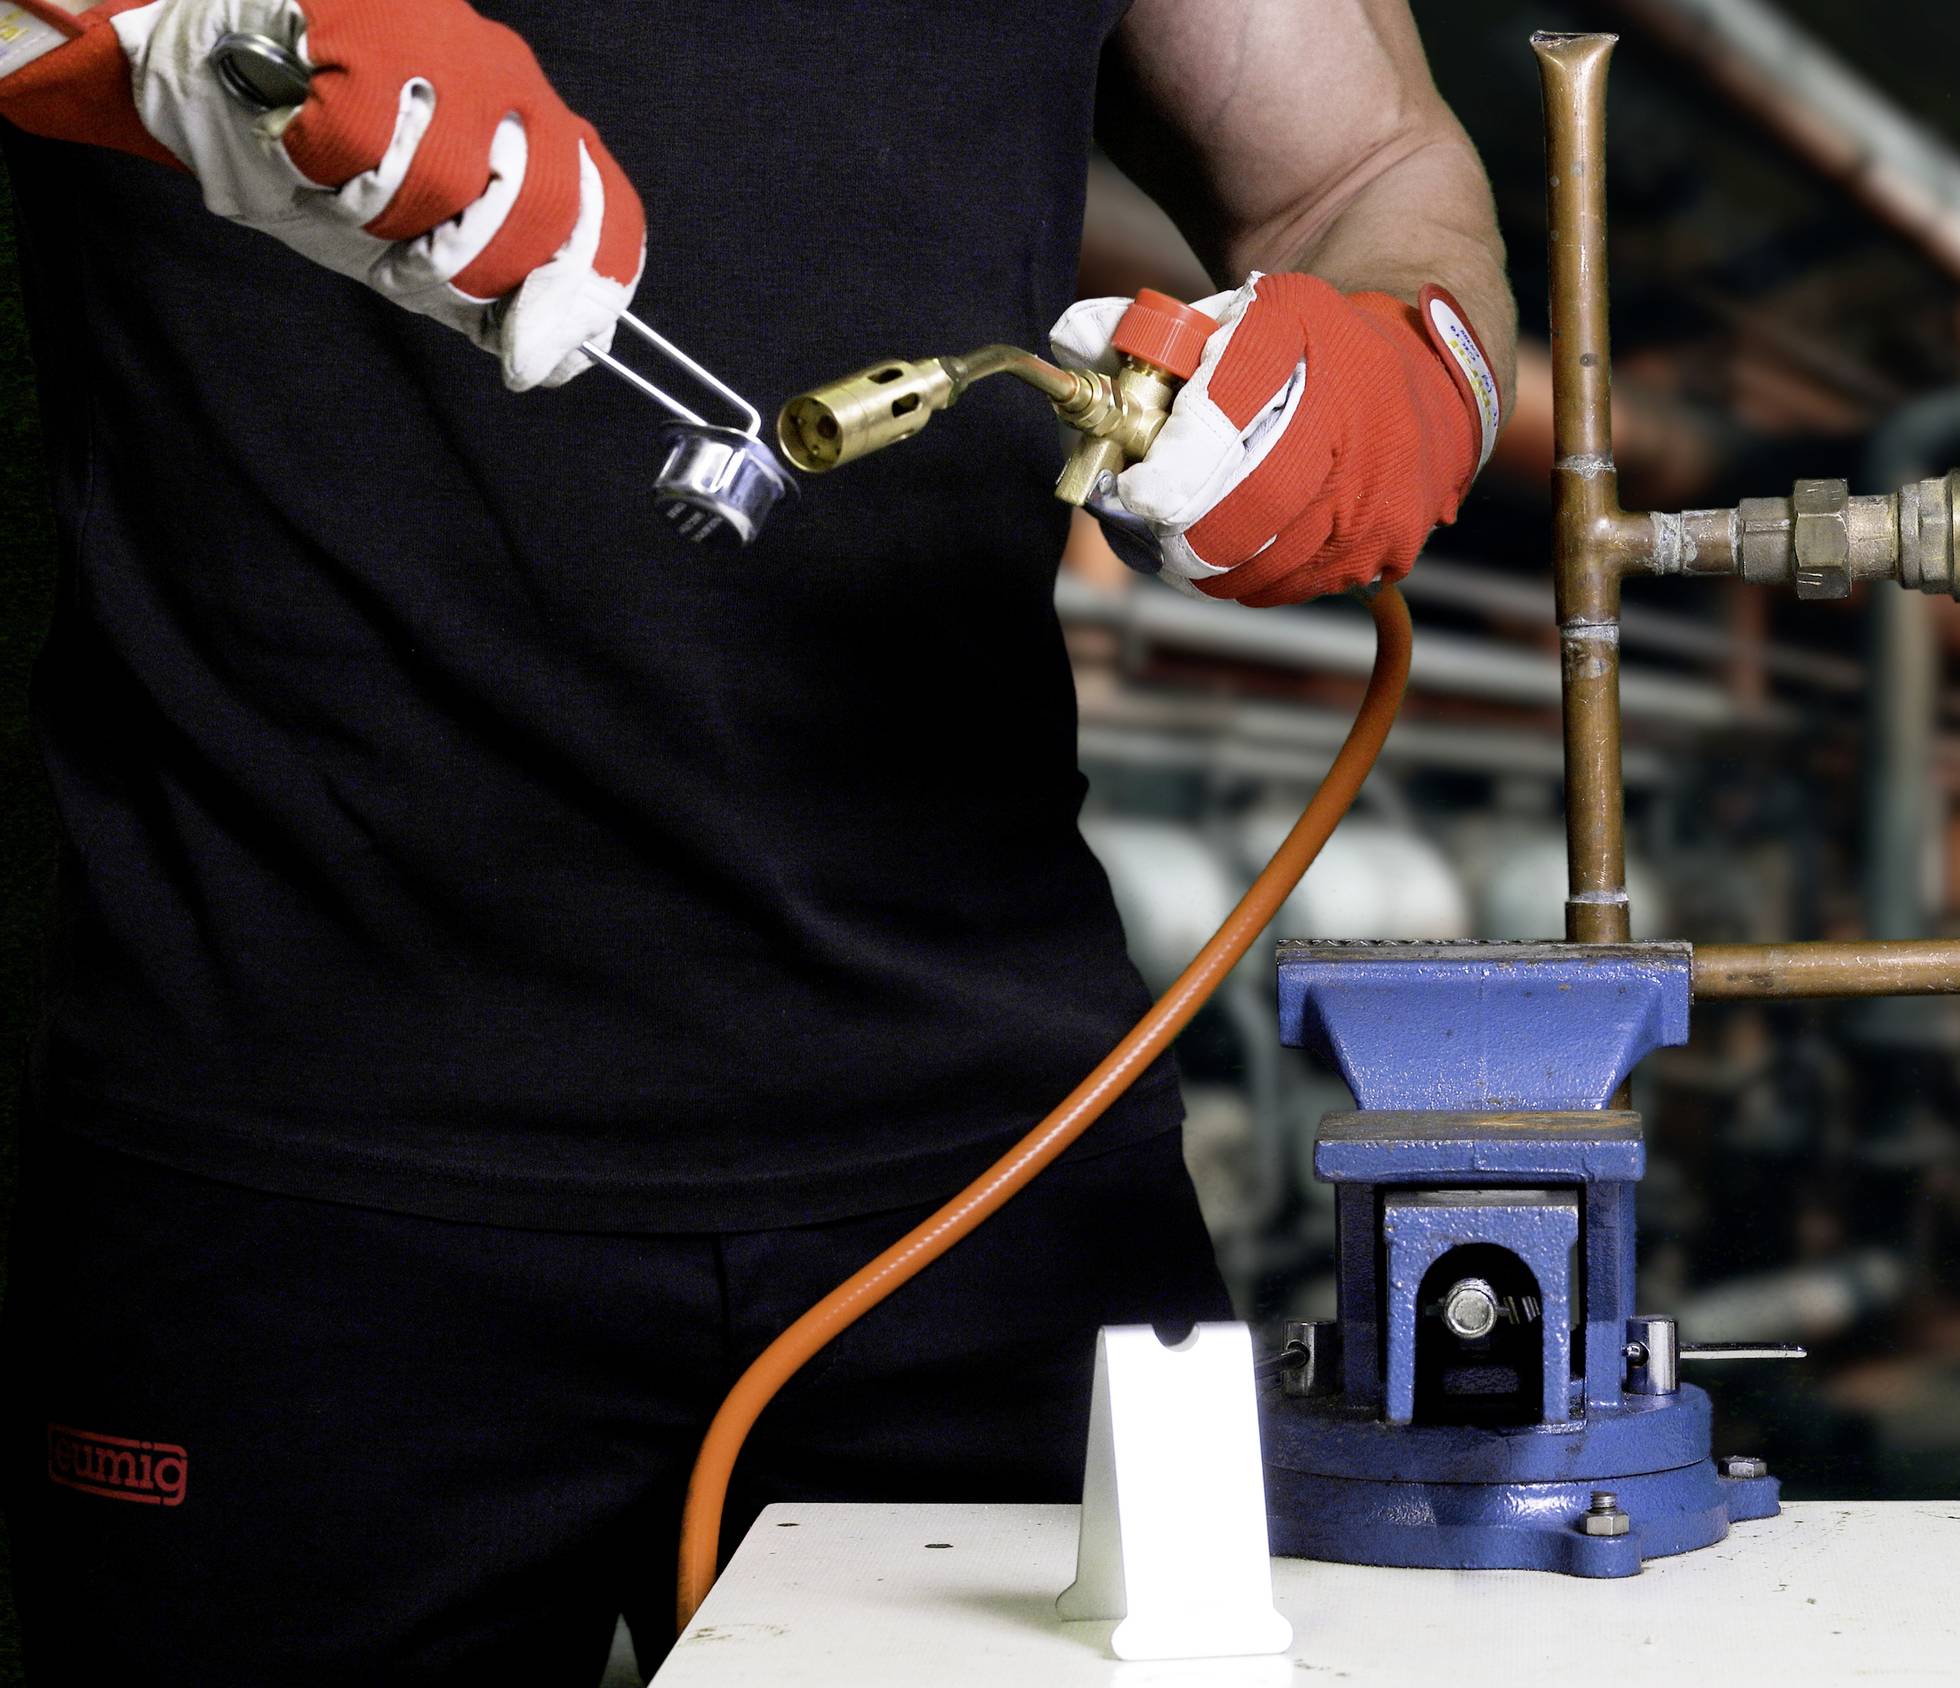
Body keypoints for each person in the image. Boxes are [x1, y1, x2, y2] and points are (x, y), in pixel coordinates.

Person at [0, 0, 1511, 1677]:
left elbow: (1363, 164)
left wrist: (1411, 363)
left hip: (992, 1160)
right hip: (288, 1174)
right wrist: (173, 31)